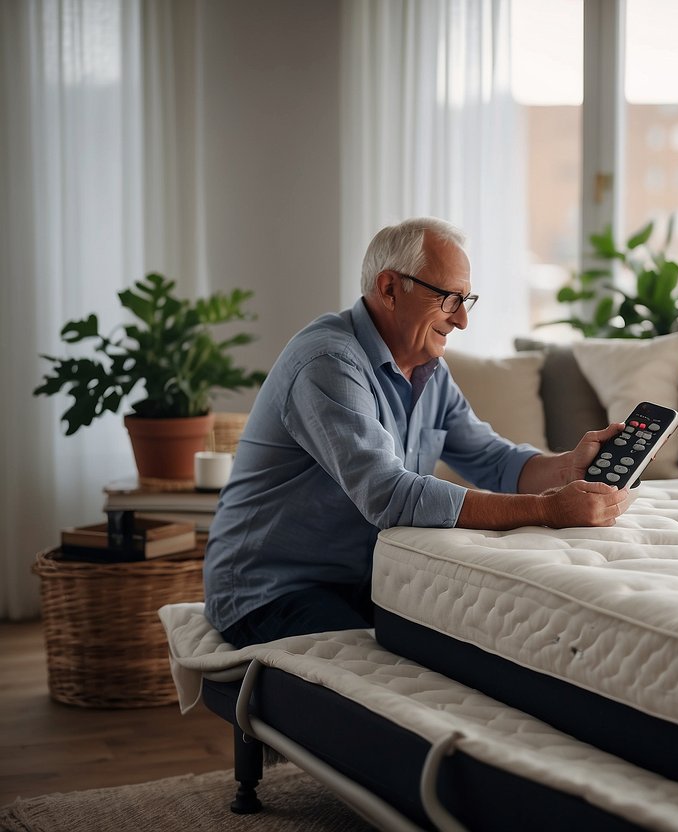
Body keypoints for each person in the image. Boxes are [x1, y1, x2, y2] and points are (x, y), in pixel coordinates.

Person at [203, 217, 629, 647]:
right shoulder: (328, 362)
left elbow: (494, 459)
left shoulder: (428, 370)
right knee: (375, 674)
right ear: (389, 288)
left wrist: (567, 468)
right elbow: (389, 495)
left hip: (367, 580)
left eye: (466, 300)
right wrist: (546, 511)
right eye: (448, 299)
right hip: (270, 589)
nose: (461, 320)